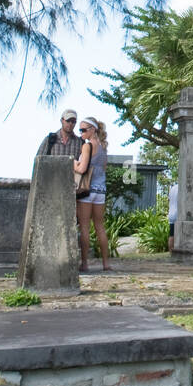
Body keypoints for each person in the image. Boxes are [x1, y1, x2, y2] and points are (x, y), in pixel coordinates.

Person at [74, 116, 110, 273]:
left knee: (85, 227)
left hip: (87, 190)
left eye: (83, 129)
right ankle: (106, 264)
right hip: (100, 191)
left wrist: (72, 162)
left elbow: (82, 169)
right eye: (80, 129)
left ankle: (84, 264)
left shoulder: (87, 146)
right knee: (100, 227)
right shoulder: (103, 146)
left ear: (93, 129)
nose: (81, 132)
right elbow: (104, 168)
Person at [168, 182, 178, 252]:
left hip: (171, 213)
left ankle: (171, 252)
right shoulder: (183, 188)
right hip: (178, 214)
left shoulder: (173, 188)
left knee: (172, 235)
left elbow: (169, 199)